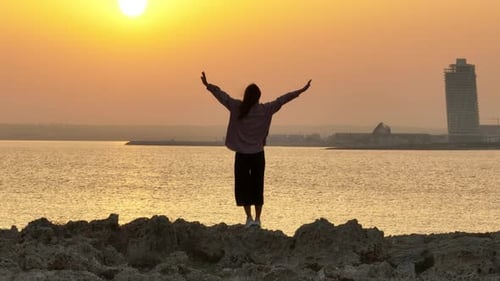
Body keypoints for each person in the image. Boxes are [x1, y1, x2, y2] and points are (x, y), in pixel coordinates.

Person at [201, 72, 311, 228]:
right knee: (257, 186)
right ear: (259, 97)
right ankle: (257, 219)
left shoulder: (238, 107)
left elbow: (222, 96)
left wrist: (208, 85)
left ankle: (249, 218)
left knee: (243, 186)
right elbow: (283, 99)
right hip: (257, 154)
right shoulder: (265, 110)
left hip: (242, 155)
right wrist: (300, 90)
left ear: (246, 95)